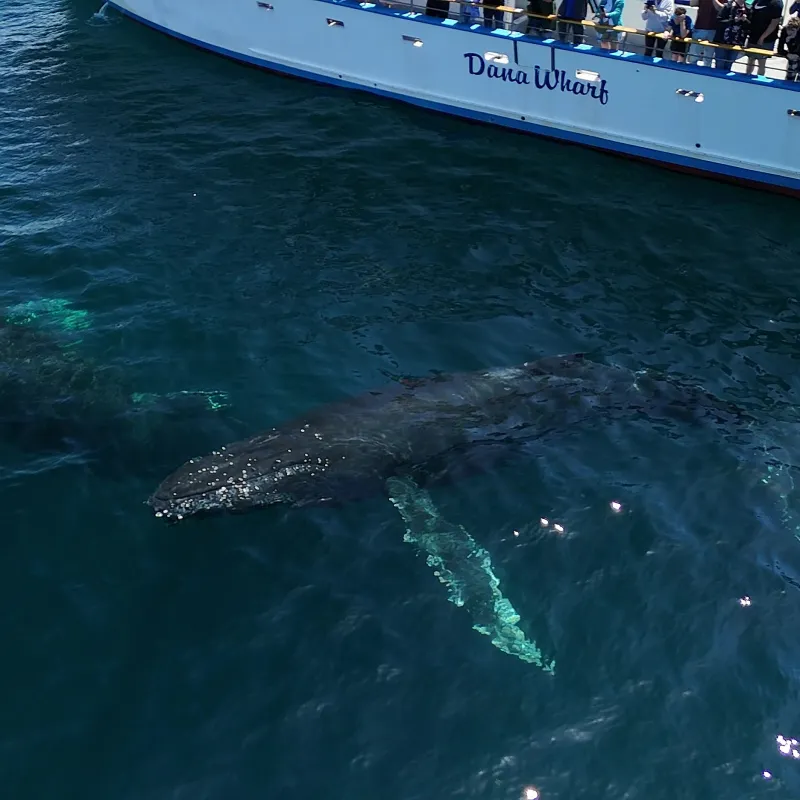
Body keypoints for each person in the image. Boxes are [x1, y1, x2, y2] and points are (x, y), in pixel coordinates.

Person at [745, 0, 783, 75]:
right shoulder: (757, 1)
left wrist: (762, 38)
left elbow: (774, 23)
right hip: (753, 36)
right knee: (750, 60)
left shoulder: (777, 3)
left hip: (767, 39)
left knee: (761, 62)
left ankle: (760, 81)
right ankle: (746, 77)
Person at [713, 0, 750, 71]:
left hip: (737, 42)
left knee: (728, 65)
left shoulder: (748, 9)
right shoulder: (728, 6)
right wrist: (733, 20)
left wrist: (745, 20)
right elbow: (719, 22)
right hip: (722, 41)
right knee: (719, 65)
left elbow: (749, 27)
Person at [688, 0, 720, 65]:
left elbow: (721, 8)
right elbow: (692, 3)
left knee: (708, 58)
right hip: (699, 27)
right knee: (693, 56)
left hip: (713, 29)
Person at [778, 14, 800, 79]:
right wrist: (787, 54)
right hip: (792, 55)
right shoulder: (784, 30)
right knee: (790, 76)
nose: (789, 32)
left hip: (797, 53)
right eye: (789, 29)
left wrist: (794, 38)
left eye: (792, 30)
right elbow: (780, 48)